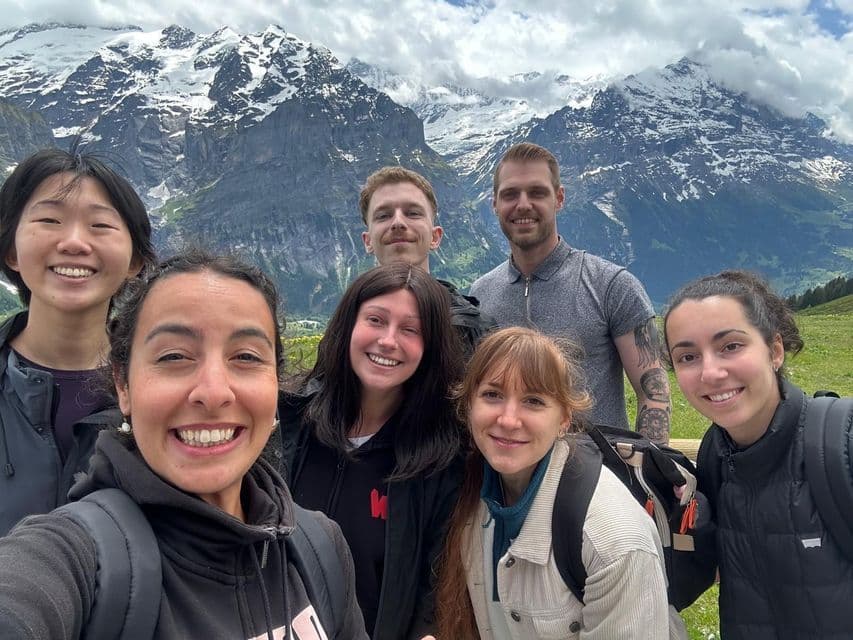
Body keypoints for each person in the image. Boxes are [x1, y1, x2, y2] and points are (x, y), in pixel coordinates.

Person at [0, 249, 368, 639]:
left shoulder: (320, 546)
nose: (213, 392)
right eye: (174, 356)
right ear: (123, 386)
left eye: (246, 356)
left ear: (275, 383)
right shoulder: (75, 558)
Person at [435, 327, 685, 639]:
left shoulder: (612, 539)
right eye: (492, 395)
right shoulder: (470, 494)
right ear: (468, 404)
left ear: (565, 418)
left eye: (534, 401)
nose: (509, 419)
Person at [276, 262, 465, 640]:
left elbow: (437, 581)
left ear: (429, 349)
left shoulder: (441, 457)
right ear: (349, 325)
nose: (388, 341)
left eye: (410, 330)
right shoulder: (289, 425)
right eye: (376, 320)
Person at [663, 270, 853, 639]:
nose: (711, 372)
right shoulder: (715, 456)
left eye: (730, 346)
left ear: (775, 350)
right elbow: (688, 585)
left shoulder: (839, 446)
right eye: (687, 356)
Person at [0, 147, 156, 535]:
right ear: (11, 251)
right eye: (49, 220)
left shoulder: (165, 394)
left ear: (136, 260)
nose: (74, 242)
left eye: (100, 226)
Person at [469, 143, 670, 443]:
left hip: (600, 479)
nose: (523, 204)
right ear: (494, 204)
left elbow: (653, 391)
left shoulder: (612, 284)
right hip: (508, 477)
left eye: (537, 192)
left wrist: (648, 474)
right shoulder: (481, 293)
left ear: (559, 199)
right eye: (511, 194)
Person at [359, 166, 496, 358]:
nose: (398, 222)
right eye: (383, 215)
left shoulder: (477, 331)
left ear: (435, 237)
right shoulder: (347, 328)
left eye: (413, 213)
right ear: (368, 241)